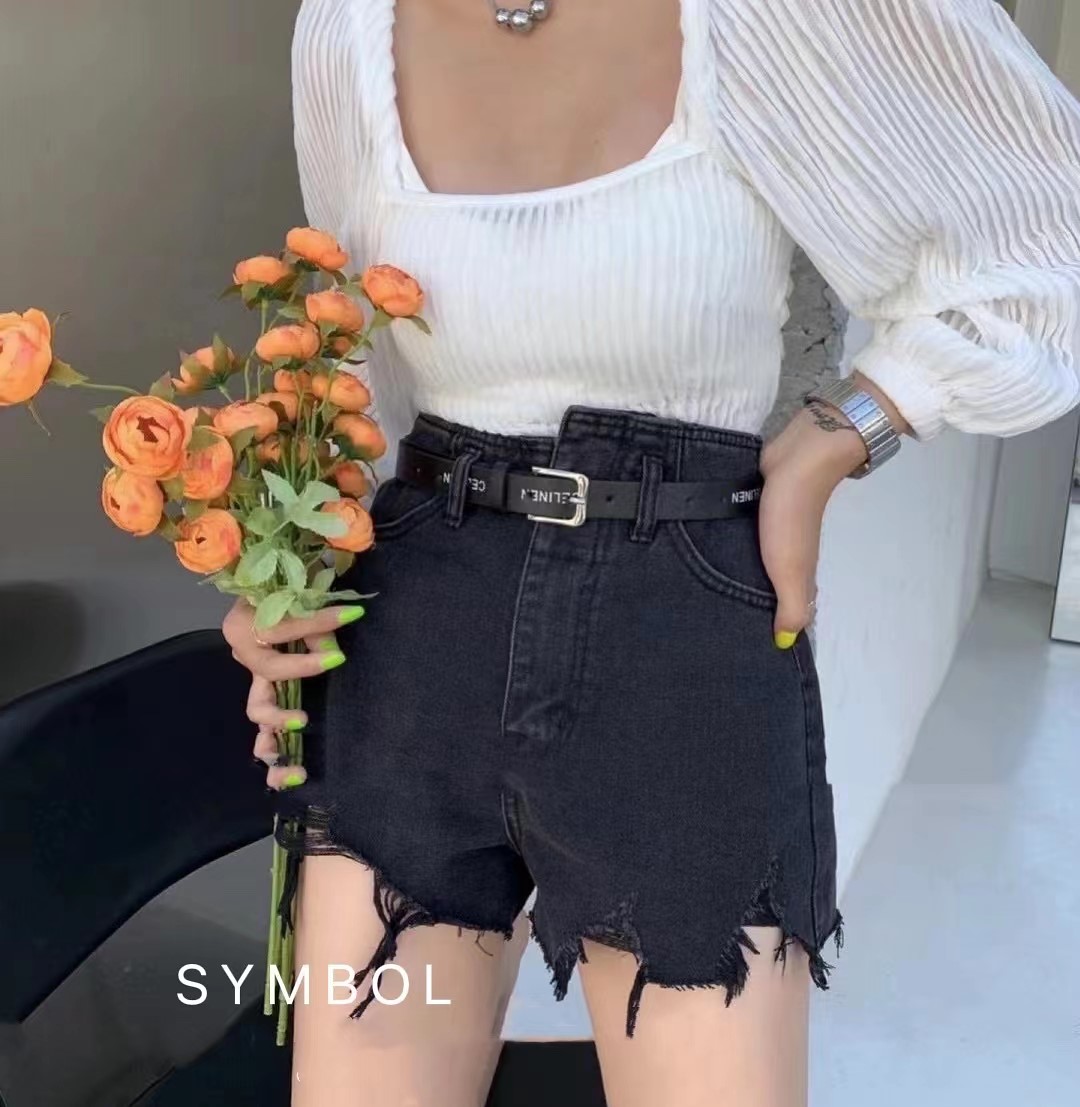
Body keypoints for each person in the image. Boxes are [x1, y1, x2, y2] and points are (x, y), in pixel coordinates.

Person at [221, 0, 1080, 1103]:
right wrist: (290, 574)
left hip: (678, 637)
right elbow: (356, 361)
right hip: (412, 628)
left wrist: (843, 433)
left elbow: (1049, 233)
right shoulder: (347, 24)